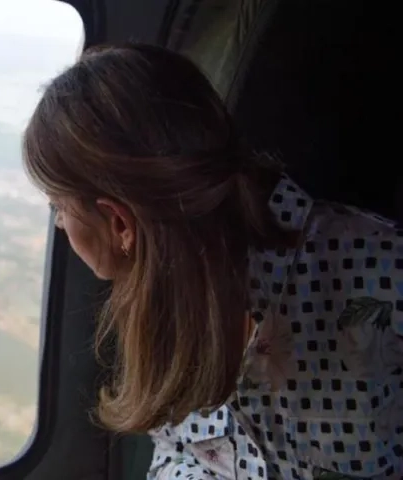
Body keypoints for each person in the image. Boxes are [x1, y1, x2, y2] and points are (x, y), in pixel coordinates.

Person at [21, 43, 402, 479]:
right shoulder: (160, 296)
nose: (60, 226)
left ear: (118, 222)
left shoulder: (377, 269)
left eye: (59, 208)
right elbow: (175, 453)